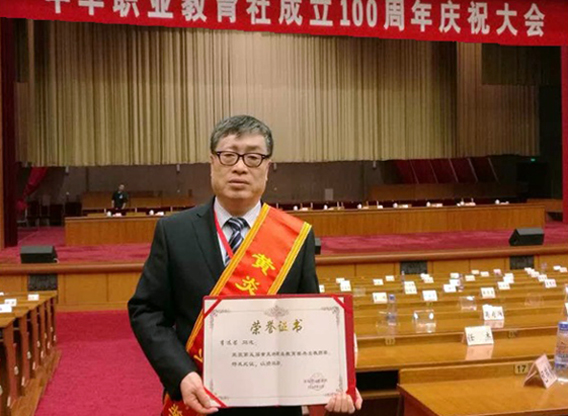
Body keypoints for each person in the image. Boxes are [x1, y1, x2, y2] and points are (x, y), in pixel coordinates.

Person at [128, 115, 362, 416]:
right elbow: (147, 311)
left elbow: (308, 320)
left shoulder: (296, 236)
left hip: (274, 405)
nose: (240, 167)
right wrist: (181, 374)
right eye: (229, 155)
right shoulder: (174, 232)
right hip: (198, 399)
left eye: (253, 157)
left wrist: (334, 381)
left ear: (268, 167)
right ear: (212, 162)